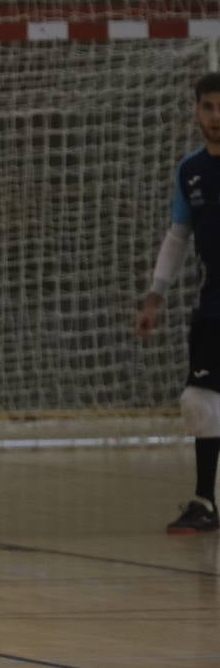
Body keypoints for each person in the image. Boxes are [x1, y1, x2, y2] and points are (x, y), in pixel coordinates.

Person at [136, 72, 220, 534]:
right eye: (207, 107)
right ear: (196, 111)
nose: (216, 117)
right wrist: (155, 296)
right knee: (198, 399)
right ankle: (205, 501)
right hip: (214, 301)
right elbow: (178, 235)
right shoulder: (190, 170)